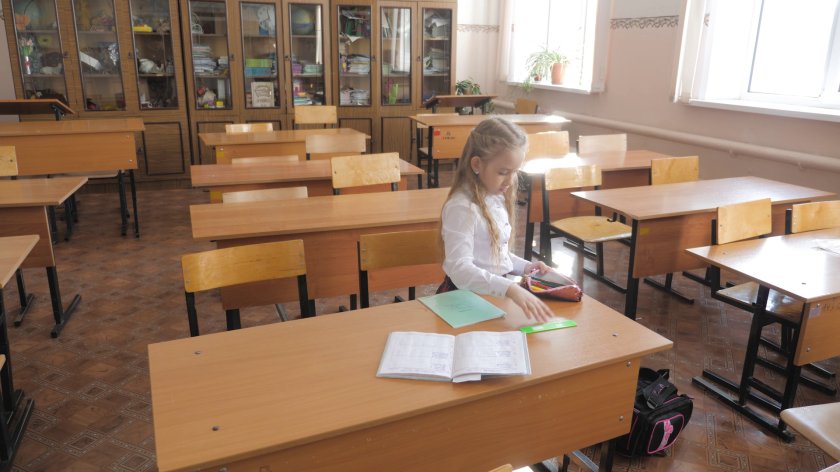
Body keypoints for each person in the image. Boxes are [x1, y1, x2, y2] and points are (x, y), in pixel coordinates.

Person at [439, 117, 554, 323]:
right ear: (477, 164)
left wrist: (526, 267)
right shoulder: (462, 207)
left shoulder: (495, 197)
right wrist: (509, 288)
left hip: (491, 296)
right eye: (503, 172)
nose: (510, 180)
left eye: (515, 172)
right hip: (463, 299)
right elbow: (460, 269)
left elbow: (495, 255)